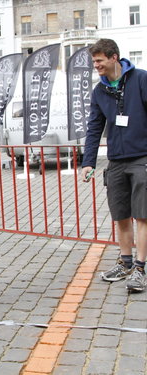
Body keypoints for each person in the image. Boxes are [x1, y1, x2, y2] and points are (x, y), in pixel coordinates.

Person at [81, 38, 147, 292]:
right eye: (94, 61)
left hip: (142, 158)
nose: (95, 65)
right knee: (121, 215)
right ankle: (126, 261)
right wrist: (88, 162)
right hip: (116, 161)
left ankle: (140, 268)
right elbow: (95, 127)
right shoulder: (100, 91)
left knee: (142, 215)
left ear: (113, 58)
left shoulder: (140, 79)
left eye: (99, 60)